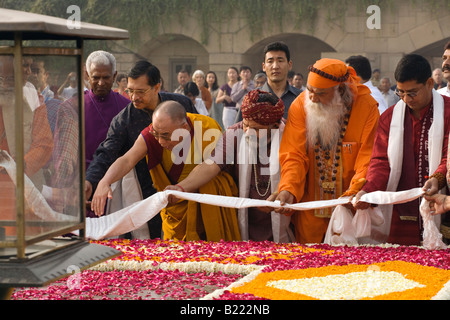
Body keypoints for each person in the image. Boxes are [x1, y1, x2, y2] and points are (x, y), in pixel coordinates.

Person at [91, 100, 240, 241]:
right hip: (174, 204)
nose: (160, 142)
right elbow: (128, 159)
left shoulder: (207, 128)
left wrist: (181, 188)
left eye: (166, 136)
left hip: (208, 205)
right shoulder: (151, 135)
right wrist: (105, 181)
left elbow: (210, 167)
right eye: (156, 134)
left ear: (184, 129)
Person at [85, 60, 197, 238]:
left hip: (189, 183)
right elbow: (108, 153)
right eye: (130, 91)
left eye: (140, 91)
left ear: (156, 87)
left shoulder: (181, 105)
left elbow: (200, 137)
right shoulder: (124, 120)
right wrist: (92, 181)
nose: (134, 97)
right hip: (148, 192)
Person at [165, 89, 294, 242]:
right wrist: (180, 188)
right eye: (246, 125)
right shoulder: (235, 132)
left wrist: (284, 191)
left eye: (257, 129)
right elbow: (211, 165)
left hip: (286, 217)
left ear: (275, 126)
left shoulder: (290, 134)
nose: (248, 133)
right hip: (246, 217)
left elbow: (296, 170)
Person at [274, 58, 379, 244]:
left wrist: (353, 193)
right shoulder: (301, 104)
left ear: (340, 90)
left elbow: (368, 159)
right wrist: (288, 188)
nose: (312, 98)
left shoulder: (366, 107)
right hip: (310, 208)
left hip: (349, 207)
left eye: (320, 93)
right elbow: (293, 155)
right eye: (310, 90)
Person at [354, 54, 450, 246]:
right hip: (399, 214)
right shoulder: (389, 118)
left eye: (412, 93)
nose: (406, 99)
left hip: (441, 205)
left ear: (430, 84)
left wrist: (437, 179)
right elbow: (380, 162)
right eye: (400, 92)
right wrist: (368, 190)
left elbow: (449, 157)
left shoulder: (448, 112)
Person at [0, 55, 54, 235]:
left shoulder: (33, 99)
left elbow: (44, 144)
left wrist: (17, 167)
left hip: (25, 188)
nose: (28, 72)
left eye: (30, 66)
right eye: (23, 66)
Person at [84, 51, 131, 171]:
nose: (101, 83)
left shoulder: (126, 107)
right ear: (87, 76)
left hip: (117, 175)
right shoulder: (74, 107)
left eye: (106, 77)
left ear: (114, 76)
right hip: (84, 176)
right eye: (95, 77)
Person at [260, 42, 302, 120]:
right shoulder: (252, 99)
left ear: (289, 65)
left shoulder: (301, 98)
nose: (275, 66)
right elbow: (238, 130)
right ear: (264, 66)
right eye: (270, 61)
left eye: (280, 61)